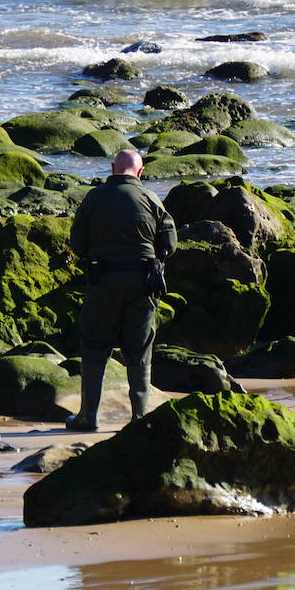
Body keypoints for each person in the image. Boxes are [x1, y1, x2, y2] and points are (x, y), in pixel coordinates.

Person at [66, 149, 178, 431]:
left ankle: (88, 416)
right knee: (139, 347)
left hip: (103, 279)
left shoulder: (94, 198)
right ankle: (139, 417)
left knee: (95, 344)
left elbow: (77, 243)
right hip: (143, 282)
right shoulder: (151, 199)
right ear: (140, 172)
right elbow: (169, 244)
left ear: (112, 168)